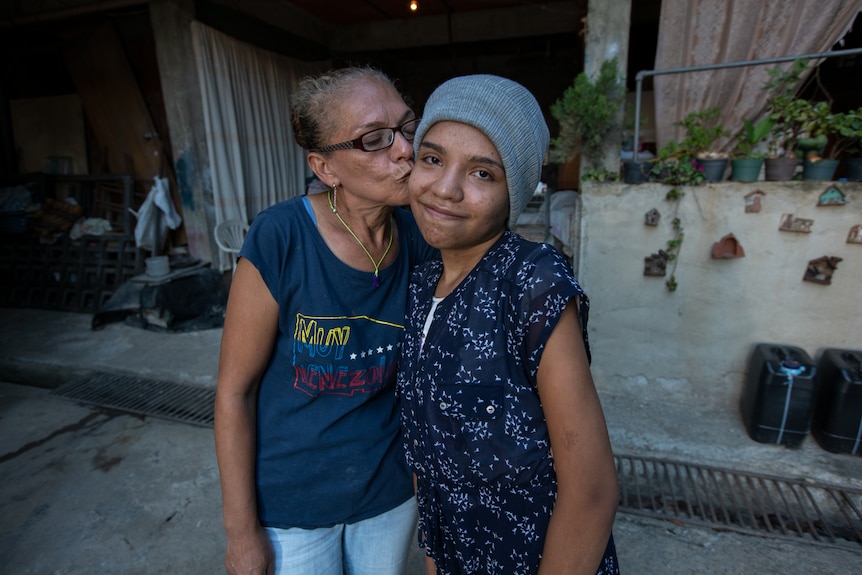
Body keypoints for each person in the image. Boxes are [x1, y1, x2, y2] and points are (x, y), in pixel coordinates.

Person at [214, 66, 438, 575]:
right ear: (325, 167)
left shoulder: (421, 237)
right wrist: (241, 531)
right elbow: (234, 392)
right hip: (293, 505)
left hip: (388, 492)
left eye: (407, 128)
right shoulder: (281, 237)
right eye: (374, 140)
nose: (404, 150)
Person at [397, 74, 620, 574]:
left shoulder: (531, 281)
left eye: (482, 174)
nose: (445, 189)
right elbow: (429, 457)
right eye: (432, 159)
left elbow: (592, 491)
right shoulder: (422, 279)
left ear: (512, 193)